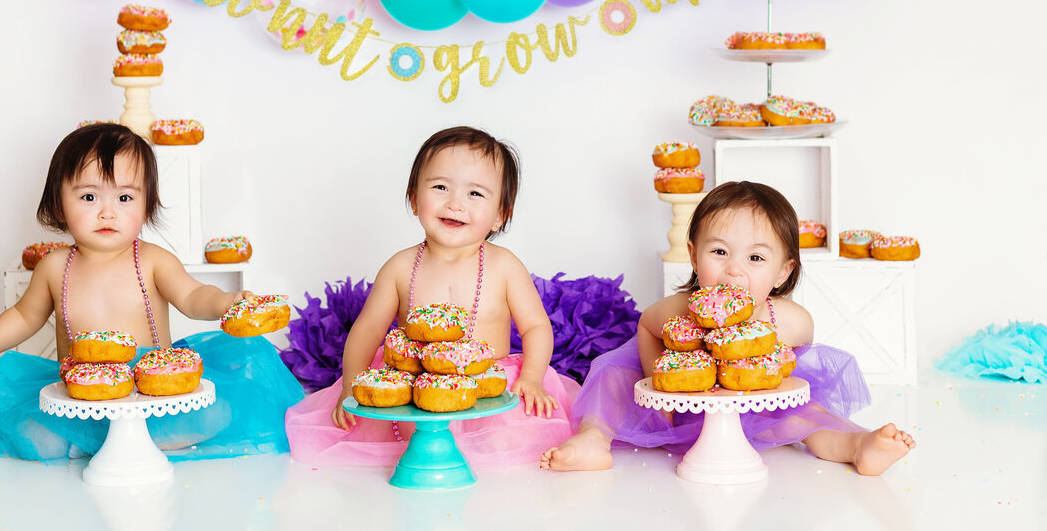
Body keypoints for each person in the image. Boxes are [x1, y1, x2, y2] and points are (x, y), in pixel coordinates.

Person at [0, 122, 302, 461]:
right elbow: (23, 316)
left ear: (146, 204)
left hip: (152, 390)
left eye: (124, 197)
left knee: (217, 412)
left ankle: (117, 441)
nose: (107, 211)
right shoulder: (54, 266)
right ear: (59, 203)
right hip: (82, 396)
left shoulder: (153, 260)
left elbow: (193, 297)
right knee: (37, 438)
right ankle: (88, 437)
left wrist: (226, 302)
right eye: (89, 196)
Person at [541, 180, 916, 475]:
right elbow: (646, 326)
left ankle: (857, 446)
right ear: (693, 254)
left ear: (782, 271)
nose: (734, 269)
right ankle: (593, 440)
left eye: (755, 257)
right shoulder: (682, 309)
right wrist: (658, 379)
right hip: (681, 402)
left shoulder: (785, 320)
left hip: (749, 408)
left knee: (805, 416)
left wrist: (774, 375)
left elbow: (796, 355)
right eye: (719, 252)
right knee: (612, 379)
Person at [285, 126, 579, 467]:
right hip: (415, 388)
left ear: (501, 214)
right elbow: (367, 329)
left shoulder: (505, 266)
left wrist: (531, 378)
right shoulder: (400, 267)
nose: (455, 203)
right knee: (406, 443)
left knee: (506, 444)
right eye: (440, 187)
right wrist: (351, 385)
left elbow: (536, 327)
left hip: (489, 387)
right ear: (413, 198)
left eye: (475, 194)